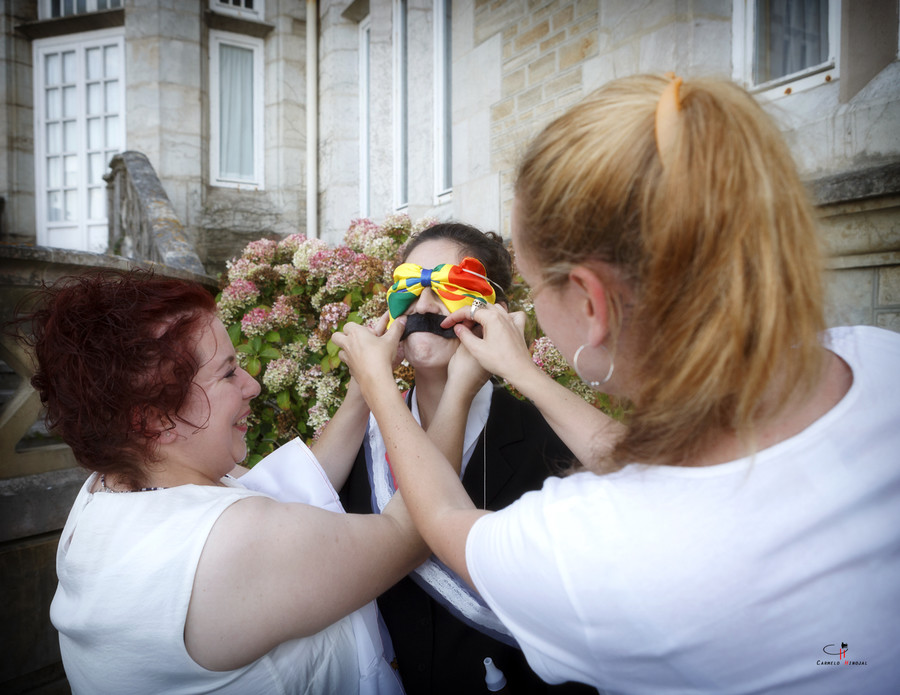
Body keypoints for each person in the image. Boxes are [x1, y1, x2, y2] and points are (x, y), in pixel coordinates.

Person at [332, 73, 900, 694]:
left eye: (529, 282)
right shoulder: (877, 357)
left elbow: (437, 518)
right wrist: (523, 372)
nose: (430, 303)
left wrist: (377, 389)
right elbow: (644, 456)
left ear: (590, 305)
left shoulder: (606, 545)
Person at [13, 269, 439, 695]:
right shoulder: (230, 545)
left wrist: (361, 390)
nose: (252, 385)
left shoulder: (111, 487)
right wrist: (452, 385)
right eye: (229, 372)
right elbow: (417, 529)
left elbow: (289, 491)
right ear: (156, 419)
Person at [338, 222, 594, 694]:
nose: (425, 306)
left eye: (449, 288)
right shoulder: (356, 443)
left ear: (494, 311)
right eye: (410, 286)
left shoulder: (549, 447)